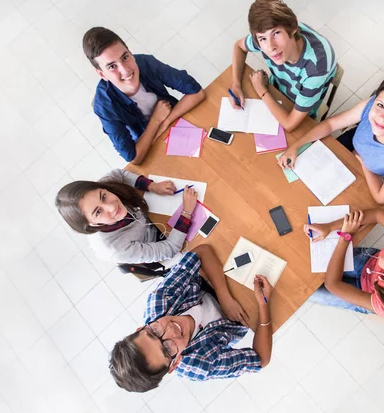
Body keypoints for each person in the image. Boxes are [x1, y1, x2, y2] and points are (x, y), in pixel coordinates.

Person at [109, 244, 273, 392]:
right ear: (174, 364)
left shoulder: (158, 301)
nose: (171, 330)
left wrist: (224, 296)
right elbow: (260, 359)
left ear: (142, 328)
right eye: (167, 349)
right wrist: (264, 305)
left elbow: (201, 252)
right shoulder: (201, 366)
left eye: (153, 332)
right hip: (246, 312)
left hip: (219, 282)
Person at [279, 69, 384, 205]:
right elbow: (331, 125)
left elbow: (381, 197)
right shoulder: (371, 105)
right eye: (381, 105)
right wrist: (296, 145)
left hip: (369, 174)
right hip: (353, 144)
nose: (383, 118)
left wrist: (364, 164)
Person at [83, 27, 206, 164]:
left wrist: (164, 122)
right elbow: (133, 158)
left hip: (175, 122)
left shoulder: (146, 63)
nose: (125, 70)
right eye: (112, 66)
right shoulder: (104, 106)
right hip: (148, 143)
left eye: (125, 57)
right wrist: (156, 120)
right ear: (101, 74)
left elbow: (196, 91)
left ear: (130, 52)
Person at [229, 0, 337, 131]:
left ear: (293, 29)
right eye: (262, 38)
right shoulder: (267, 43)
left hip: (299, 112)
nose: (270, 47)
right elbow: (239, 46)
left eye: (276, 33)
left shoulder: (317, 67)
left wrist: (262, 90)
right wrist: (236, 84)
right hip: (276, 90)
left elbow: (290, 124)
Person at [55, 169, 197, 266]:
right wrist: (186, 213)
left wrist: (152, 186)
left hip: (150, 218)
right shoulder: (117, 249)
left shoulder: (97, 191)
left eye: (103, 196)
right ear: (92, 225)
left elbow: (118, 174)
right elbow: (169, 249)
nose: (111, 207)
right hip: (154, 242)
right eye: (98, 212)